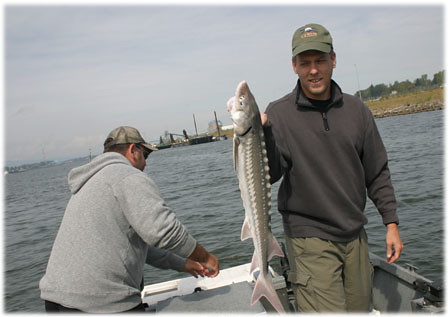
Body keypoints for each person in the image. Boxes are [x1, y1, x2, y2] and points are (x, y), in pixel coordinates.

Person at [260, 24, 403, 312]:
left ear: (333, 60)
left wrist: (391, 223)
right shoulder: (278, 114)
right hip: (308, 237)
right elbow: (271, 175)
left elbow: (377, 172)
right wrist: (261, 138)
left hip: (354, 234)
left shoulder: (357, 111)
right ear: (294, 66)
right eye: (305, 63)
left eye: (320, 61)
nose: (313, 70)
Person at [39, 126, 219, 313]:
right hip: (99, 303)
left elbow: (137, 245)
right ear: (133, 150)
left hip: (55, 300)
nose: (146, 163)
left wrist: (183, 263)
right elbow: (165, 231)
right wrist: (205, 258)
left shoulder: (91, 181)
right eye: (145, 155)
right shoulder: (127, 175)